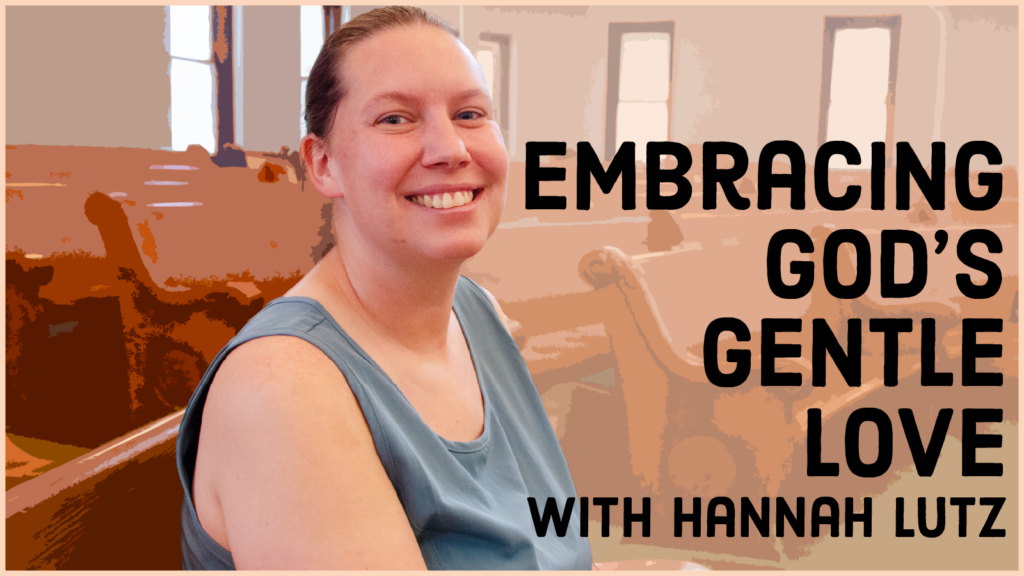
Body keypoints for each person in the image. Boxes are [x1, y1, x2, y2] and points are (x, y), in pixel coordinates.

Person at [175, 6, 592, 570]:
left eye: (470, 113)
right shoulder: (284, 390)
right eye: (395, 119)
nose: (450, 149)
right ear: (323, 164)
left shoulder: (477, 312)